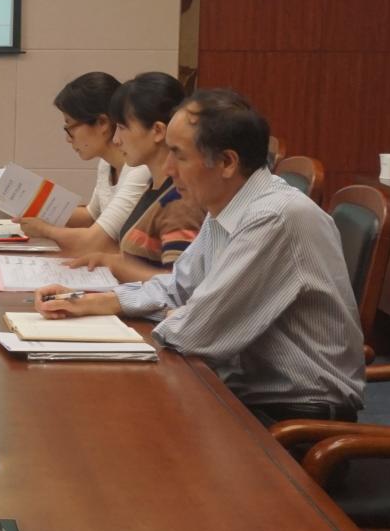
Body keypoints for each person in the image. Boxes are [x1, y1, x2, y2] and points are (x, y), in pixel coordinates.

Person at [35, 89, 364, 426]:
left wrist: (183, 313)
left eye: (178, 155)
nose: (168, 169)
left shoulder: (274, 217)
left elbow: (196, 332)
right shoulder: (228, 202)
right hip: (242, 393)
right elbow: (179, 287)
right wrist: (97, 301)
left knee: (112, 421)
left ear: (226, 163)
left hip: (294, 419)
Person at [66, 72, 201, 283]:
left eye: (122, 128)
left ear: (157, 131)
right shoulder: (153, 186)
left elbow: (177, 286)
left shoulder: (179, 200)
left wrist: (112, 265)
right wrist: (107, 260)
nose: (116, 140)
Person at [22, 72, 150, 253]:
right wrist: (32, 208)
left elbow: (93, 241)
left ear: (102, 123)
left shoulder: (139, 170)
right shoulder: (106, 164)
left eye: (70, 127)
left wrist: (44, 229)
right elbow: (92, 216)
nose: (68, 139)